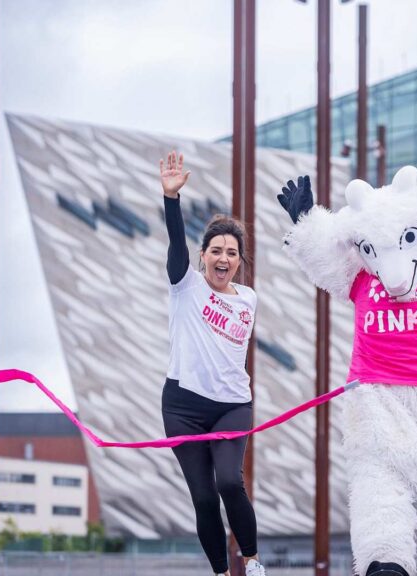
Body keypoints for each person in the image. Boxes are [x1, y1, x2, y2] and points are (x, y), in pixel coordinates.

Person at [159, 150, 266, 576]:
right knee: (203, 497)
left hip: (231, 405)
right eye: (217, 250)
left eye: (233, 253)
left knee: (228, 481)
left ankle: (253, 561)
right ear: (202, 255)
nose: (224, 258)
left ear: (240, 262)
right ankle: (221, 572)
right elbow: (174, 243)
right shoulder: (184, 286)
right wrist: (171, 200)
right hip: (182, 407)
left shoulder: (249, 299)